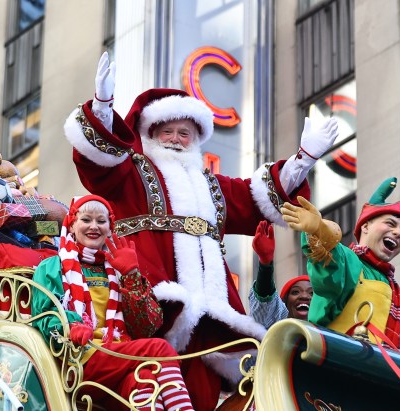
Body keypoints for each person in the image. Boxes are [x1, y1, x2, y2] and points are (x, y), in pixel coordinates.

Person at [64, 52, 339, 409]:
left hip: (211, 310)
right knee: (149, 381)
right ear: (150, 134)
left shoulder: (212, 186)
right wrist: (103, 106)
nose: (176, 140)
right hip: (151, 296)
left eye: (185, 134)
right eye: (167, 132)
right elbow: (99, 161)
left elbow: (257, 197)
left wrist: (303, 159)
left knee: (204, 393)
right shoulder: (131, 172)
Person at [31, 194, 194, 411]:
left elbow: (146, 327)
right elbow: (44, 314)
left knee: (145, 380)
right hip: (78, 360)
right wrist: (71, 326)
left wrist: (131, 275)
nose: (94, 226)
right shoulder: (52, 266)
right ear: (71, 225)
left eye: (101, 221)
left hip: (117, 358)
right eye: (86, 219)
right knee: (160, 348)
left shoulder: (117, 271)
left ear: (110, 228)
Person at [280, 177, 400, 358]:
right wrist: (319, 230)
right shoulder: (348, 261)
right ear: (365, 226)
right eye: (390, 223)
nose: (398, 233)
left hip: (385, 375)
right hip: (340, 367)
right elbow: (328, 270)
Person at [248, 221, 313, 329]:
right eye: (295, 292)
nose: (304, 296)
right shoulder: (277, 324)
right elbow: (266, 307)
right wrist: (265, 263)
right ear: (284, 303)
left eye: (312, 293)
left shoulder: (331, 331)